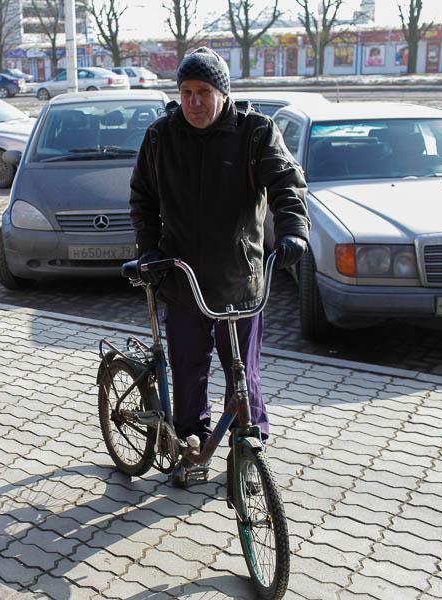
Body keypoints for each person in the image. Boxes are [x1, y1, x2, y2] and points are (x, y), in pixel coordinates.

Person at [129, 47, 309, 488]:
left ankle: (248, 447)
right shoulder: (160, 137)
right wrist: (150, 249)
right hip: (181, 277)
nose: (194, 102)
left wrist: (292, 232)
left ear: (223, 93)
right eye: (186, 92)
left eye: (204, 92)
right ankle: (192, 442)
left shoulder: (255, 133)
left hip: (239, 280)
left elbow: (287, 183)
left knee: (242, 372)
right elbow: (143, 199)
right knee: (188, 366)